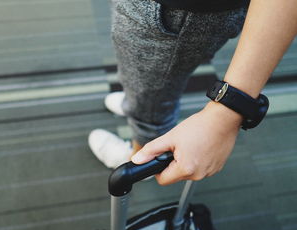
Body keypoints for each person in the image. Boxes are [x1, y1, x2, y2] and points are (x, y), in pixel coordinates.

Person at [88, 0, 297, 185]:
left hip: (174, 11)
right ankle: (135, 101)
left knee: (152, 95)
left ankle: (141, 155)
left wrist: (227, 112)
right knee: (139, 75)